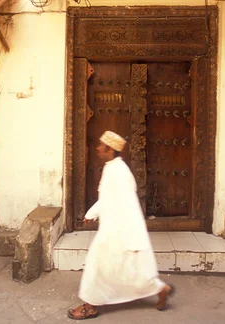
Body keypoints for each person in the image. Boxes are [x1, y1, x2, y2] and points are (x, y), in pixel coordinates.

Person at [67, 130, 174, 320]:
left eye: (102, 146)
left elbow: (129, 205)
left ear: (110, 149)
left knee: (96, 265)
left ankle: (89, 306)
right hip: (112, 229)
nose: (98, 148)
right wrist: (91, 214)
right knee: (125, 270)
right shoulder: (112, 168)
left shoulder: (120, 172)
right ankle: (159, 288)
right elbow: (107, 199)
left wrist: (131, 236)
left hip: (117, 231)